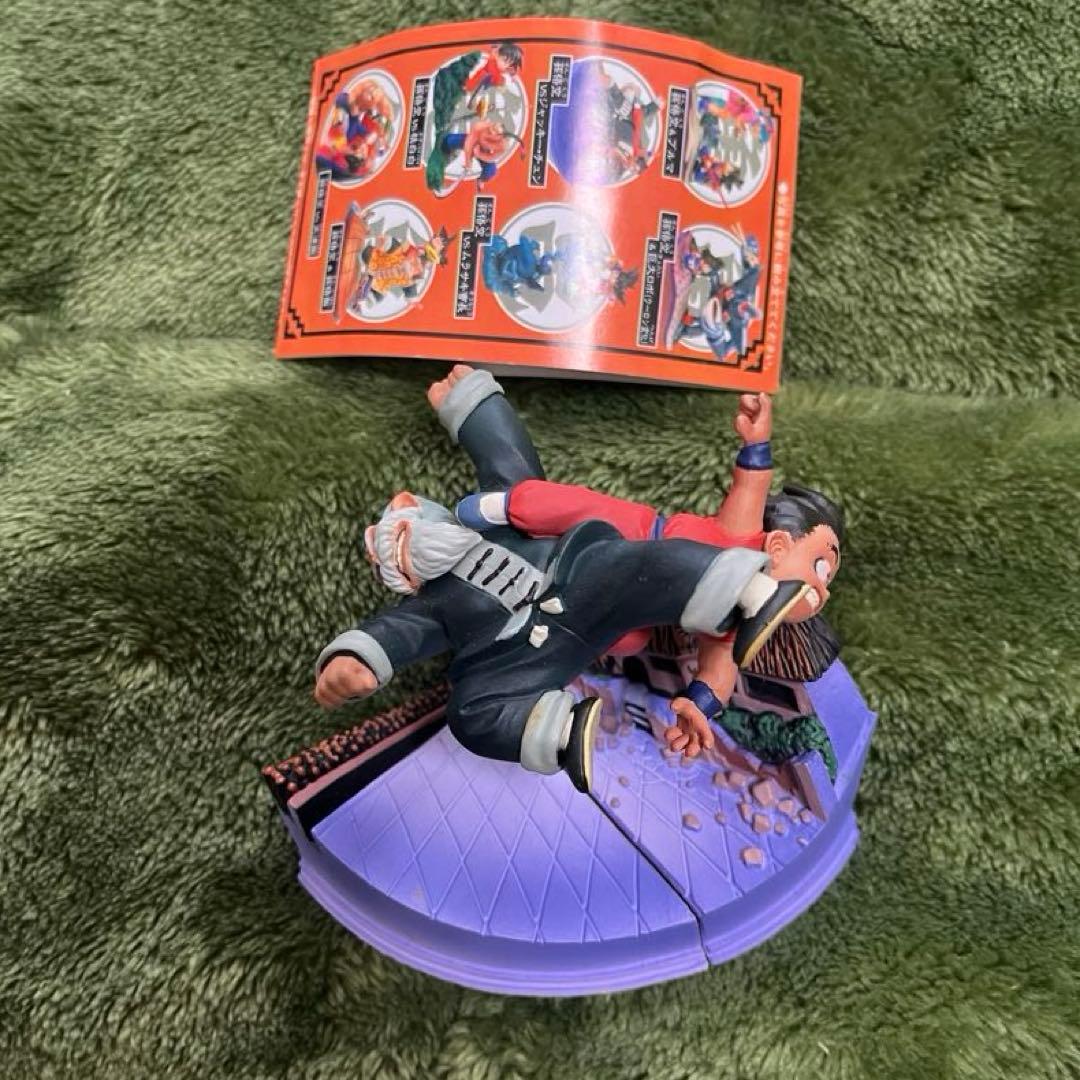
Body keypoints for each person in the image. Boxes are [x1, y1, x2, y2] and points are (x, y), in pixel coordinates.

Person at [313, 369, 809, 794]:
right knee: (467, 713)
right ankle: (557, 732)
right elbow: (392, 634)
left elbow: (505, 457)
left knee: (642, 564)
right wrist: (353, 660)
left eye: (406, 534)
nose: (410, 552)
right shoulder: (431, 607)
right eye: (396, 561)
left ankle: (745, 592)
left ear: (423, 511)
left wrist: (472, 406)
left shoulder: (500, 519)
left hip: (581, 580)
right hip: (533, 655)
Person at [450, 367, 844, 759]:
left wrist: (700, 706)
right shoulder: (742, 532)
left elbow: (720, 672)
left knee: (629, 639)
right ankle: (509, 502)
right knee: (571, 505)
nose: (822, 591)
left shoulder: (730, 627)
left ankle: (551, 722)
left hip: (609, 597)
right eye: (821, 567)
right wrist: (757, 441)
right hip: (634, 534)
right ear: (779, 545)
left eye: (825, 582)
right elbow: (752, 484)